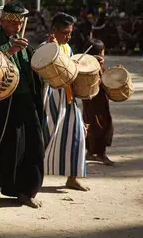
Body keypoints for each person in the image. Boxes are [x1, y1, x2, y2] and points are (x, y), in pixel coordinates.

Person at [0, 0, 45, 208]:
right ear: (1, 21)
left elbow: (34, 68)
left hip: (27, 100)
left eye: (18, 23)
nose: (16, 27)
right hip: (2, 103)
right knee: (7, 144)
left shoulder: (24, 41)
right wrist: (10, 51)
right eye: (11, 23)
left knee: (34, 144)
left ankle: (27, 190)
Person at [43, 12, 88, 191]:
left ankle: (72, 177)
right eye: (64, 32)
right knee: (45, 138)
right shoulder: (44, 47)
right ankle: (33, 179)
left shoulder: (67, 48)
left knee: (77, 135)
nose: (68, 36)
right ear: (54, 30)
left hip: (68, 98)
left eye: (70, 33)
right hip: (49, 99)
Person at [81, 39, 115, 166]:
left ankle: (91, 152)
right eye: (102, 52)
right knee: (100, 126)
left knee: (93, 125)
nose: (103, 54)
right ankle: (100, 154)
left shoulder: (99, 66)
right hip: (94, 101)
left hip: (98, 101)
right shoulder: (88, 66)